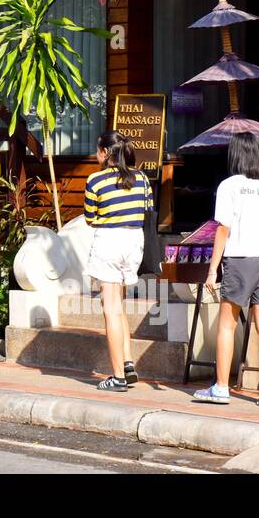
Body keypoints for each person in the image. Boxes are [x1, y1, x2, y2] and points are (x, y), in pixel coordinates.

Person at [193, 131, 259, 409]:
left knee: (226, 324)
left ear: (234, 155)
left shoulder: (229, 186)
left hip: (240, 258)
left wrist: (212, 270)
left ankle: (221, 388)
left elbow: (223, 229)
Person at [82, 130, 152, 392]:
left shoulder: (95, 180)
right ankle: (128, 362)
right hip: (134, 242)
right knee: (119, 305)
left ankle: (118, 376)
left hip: (109, 242)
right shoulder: (142, 178)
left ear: (105, 153)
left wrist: (107, 219)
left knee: (110, 308)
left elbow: (90, 217)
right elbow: (148, 210)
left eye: (98, 149)